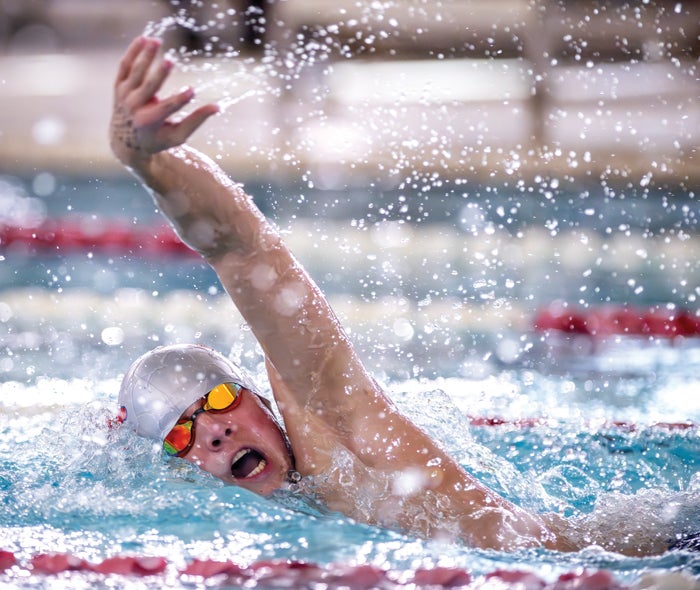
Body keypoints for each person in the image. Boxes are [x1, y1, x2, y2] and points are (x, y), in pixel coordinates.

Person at [110, 36, 685, 556]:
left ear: (258, 398)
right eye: (181, 433)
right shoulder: (256, 534)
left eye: (215, 402)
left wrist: (150, 163)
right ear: (175, 471)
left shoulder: (332, 426)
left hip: (652, 549)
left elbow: (242, 248)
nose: (214, 430)